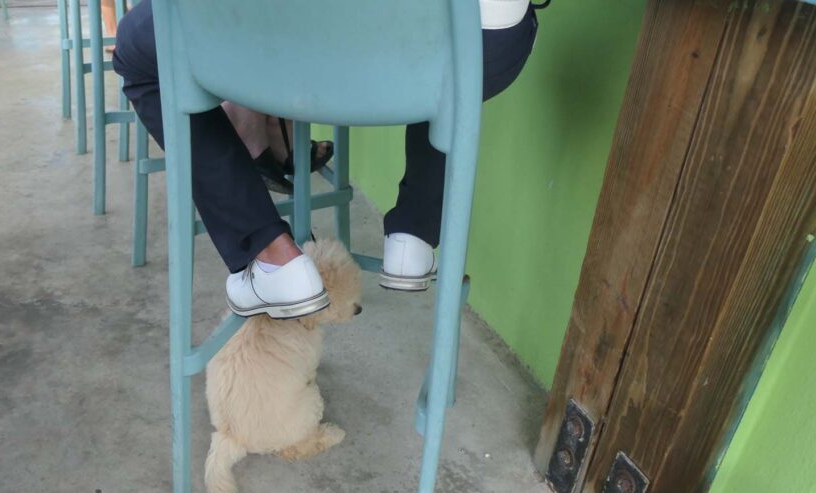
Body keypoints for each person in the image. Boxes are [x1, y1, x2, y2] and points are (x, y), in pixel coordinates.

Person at [113, 0, 539, 319]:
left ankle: (270, 253)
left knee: (138, 52)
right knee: (448, 53)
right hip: (468, 43)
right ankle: (413, 237)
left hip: (291, 35)